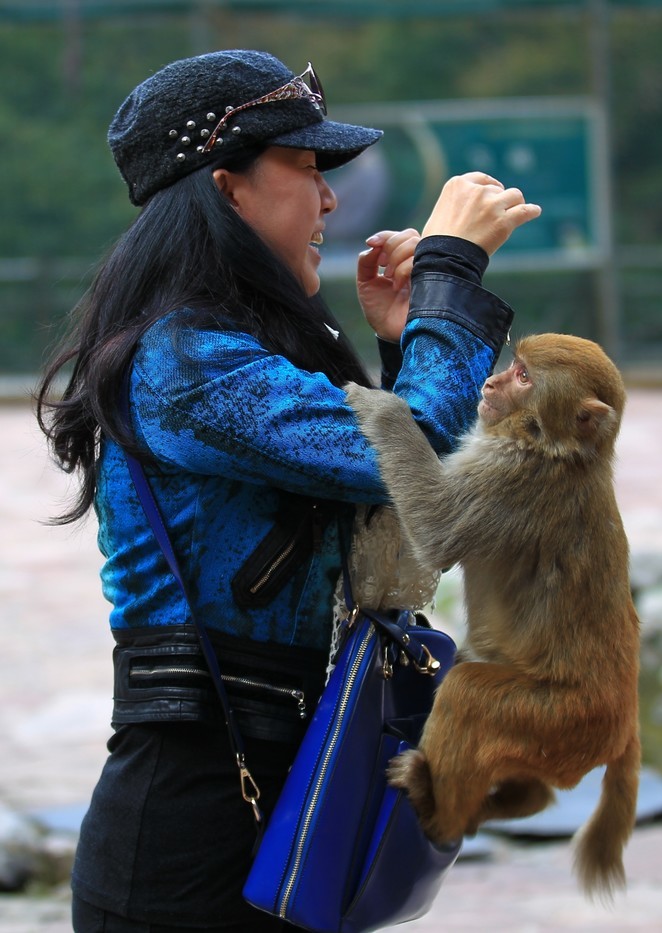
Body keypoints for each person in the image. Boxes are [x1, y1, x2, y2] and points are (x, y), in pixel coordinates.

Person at [36, 49, 540, 933]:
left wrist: (400, 347)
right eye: (308, 168)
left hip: (293, 802)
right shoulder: (183, 361)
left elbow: (415, 517)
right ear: (228, 189)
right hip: (192, 836)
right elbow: (413, 456)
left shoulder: (227, 352)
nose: (332, 200)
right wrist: (451, 271)